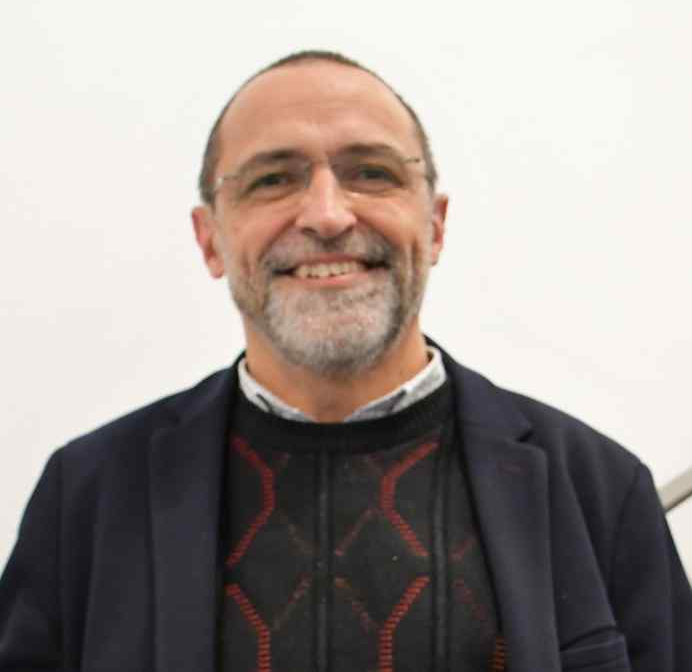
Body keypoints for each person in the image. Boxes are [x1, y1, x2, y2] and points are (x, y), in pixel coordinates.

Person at [0, 50, 689, 672]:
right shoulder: (86, 497)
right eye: (273, 179)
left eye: (372, 174)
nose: (327, 215)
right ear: (210, 240)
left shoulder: (600, 489)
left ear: (436, 225)